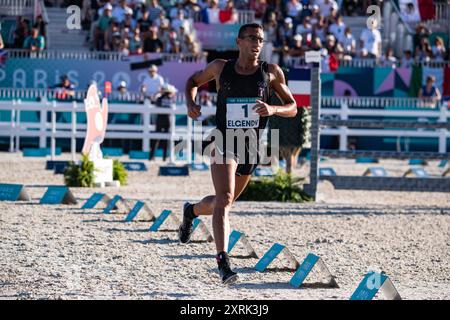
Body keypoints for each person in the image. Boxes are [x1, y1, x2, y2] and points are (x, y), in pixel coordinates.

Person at [180, 23, 297, 285]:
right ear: (239, 41)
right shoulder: (221, 67)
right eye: (252, 38)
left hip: (251, 145)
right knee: (224, 198)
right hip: (222, 139)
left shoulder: (271, 73)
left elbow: (293, 107)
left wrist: (272, 109)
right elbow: (192, 81)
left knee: (225, 202)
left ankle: (192, 211)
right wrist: (190, 102)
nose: (257, 43)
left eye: (261, 39)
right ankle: (223, 262)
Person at [149, 83, 177, 161]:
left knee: (156, 138)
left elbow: (155, 103)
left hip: (160, 119)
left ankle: (152, 156)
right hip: (167, 119)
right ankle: (164, 157)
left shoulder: (160, 98)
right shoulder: (171, 99)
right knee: (166, 139)